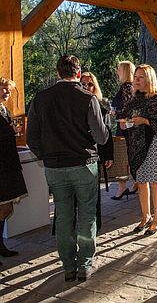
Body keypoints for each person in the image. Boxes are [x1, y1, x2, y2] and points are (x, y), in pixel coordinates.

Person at [27, 55, 109, 282]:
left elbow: (32, 137)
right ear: (78, 72)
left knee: (62, 216)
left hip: (55, 167)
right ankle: (84, 264)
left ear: (58, 73)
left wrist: (45, 155)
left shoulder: (41, 98)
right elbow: (101, 137)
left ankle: (68, 266)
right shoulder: (87, 98)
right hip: (84, 164)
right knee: (87, 216)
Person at [119, 64, 157, 237]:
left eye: (140, 77)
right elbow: (124, 117)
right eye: (135, 77)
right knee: (141, 181)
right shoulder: (133, 100)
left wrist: (145, 121)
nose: (137, 80)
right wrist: (124, 124)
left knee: (155, 181)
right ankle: (146, 216)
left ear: (149, 79)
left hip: (154, 143)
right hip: (136, 146)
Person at [80, 72, 114, 231]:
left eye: (90, 84)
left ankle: (95, 225)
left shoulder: (101, 106)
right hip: (78, 154)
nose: (87, 87)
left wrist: (109, 156)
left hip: (95, 155)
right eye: (83, 84)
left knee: (94, 193)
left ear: (95, 87)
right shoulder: (75, 104)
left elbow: (107, 132)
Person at [0, 77, 27, 263]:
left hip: (8, 163)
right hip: (1, 165)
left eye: (8, 90)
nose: (7, 93)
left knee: (6, 207)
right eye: (4, 89)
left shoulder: (5, 110)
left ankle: (0, 245)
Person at [110, 61, 136, 199]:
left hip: (125, 127)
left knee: (121, 156)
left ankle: (122, 187)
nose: (117, 71)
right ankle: (132, 185)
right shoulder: (129, 86)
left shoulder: (127, 87)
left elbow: (129, 108)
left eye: (119, 69)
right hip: (126, 126)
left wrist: (115, 112)